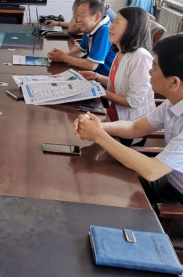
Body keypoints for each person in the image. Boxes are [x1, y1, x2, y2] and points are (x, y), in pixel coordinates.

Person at [74, 34, 183, 205]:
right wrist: (98, 126)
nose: (149, 71)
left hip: (177, 196)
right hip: (167, 179)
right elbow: (135, 127)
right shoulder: (173, 102)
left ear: (174, 82)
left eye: (154, 67)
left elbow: (152, 171)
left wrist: (99, 135)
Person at [79, 7, 155, 132]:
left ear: (132, 27)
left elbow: (132, 102)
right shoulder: (122, 52)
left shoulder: (141, 57)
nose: (110, 26)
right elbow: (122, 83)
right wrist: (96, 77)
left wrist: (100, 91)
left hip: (130, 127)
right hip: (113, 117)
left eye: (116, 22)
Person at [47, 0, 116, 76]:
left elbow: (92, 65)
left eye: (82, 15)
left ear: (96, 17)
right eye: (78, 15)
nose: (78, 20)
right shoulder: (90, 27)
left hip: (103, 77)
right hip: (92, 74)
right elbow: (81, 50)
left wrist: (64, 57)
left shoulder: (105, 31)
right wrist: (59, 56)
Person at [44, 0, 115, 35]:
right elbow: (78, 24)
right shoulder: (105, 10)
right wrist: (58, 23)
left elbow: (72, 29)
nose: (84, 1)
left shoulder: (100, 17)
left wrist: (77, 10)